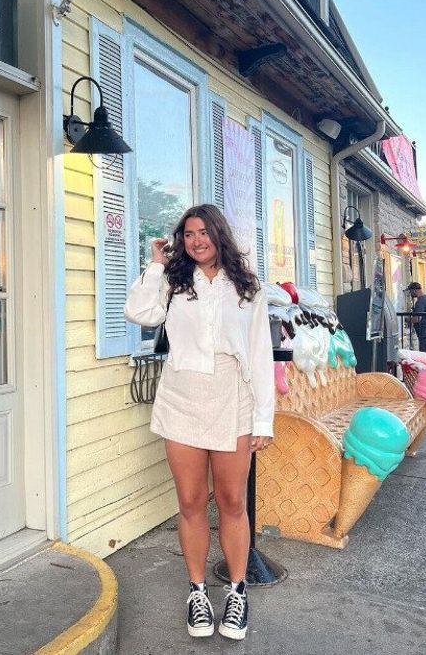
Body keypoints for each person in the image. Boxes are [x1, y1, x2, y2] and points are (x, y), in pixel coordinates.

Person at [124, 204, 274, 641]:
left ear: (219, 235)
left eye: (204, 232)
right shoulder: (173, 281)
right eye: (189, 234)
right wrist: (155, 263)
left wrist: (263, 418)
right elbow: (139, 312)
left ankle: (238, 591)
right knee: (190, 502)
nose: (197, 240)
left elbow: (261, 356)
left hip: (233, 398)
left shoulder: (247, 287)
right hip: (183, 398)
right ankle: (196, 591)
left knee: (231, 502)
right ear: (182, 240)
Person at [406, 281, 426, 355]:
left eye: (410, 291)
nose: (410, 294)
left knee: (425, 354)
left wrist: (407, 319)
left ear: (414, 290)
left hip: (425, 332)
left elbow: (417, 318)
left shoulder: (420, 302)